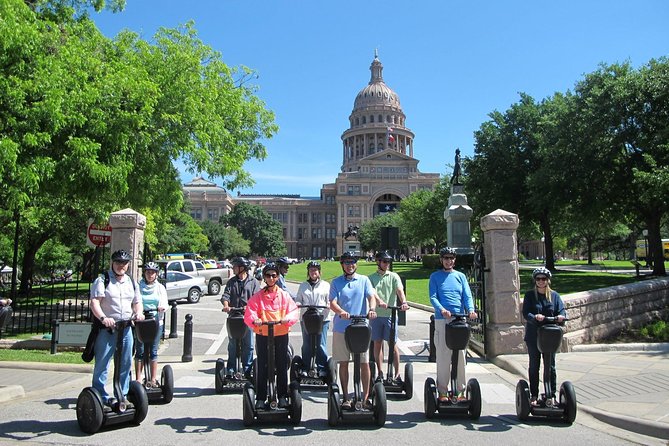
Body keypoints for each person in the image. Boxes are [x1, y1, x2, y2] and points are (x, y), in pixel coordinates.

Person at [89, 249, 144, 406]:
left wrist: (138, 313)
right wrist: (103, 318)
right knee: (103, 363)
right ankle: (100, 396)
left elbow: (137, 302)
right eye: (119, 262)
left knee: (125, 362)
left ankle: (122, 395)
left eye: (125, 263)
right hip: (108, 329)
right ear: (112, 263)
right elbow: (95, 302)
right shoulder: (102, 280)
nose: (122, 265)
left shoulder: (131, 282)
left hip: (126, 328)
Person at [329, 251, 381, 409]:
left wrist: (372, 309)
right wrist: (340, 312)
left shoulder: (364, 280)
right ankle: (345, 397)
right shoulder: (336, 282)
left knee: (364, 363)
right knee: (343, 363)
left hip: (360, 327)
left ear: (356, 264)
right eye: (346, 262)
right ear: (342, 265)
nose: (350, 265)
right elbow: (332, 302)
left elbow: (371, 296)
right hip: (342, 327)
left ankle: (364, 398)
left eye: (352, 262)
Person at [244, 262, 299, 410]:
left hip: (280, 334)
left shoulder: (284, 295)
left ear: (277, 277)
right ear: (264, 277)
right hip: (263, 334)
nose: (271, 278)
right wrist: (255, 319)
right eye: (268, 275)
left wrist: (288, 318)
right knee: (262, 365)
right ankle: (261, 397)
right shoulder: (258, 296)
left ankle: (282, 396)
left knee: (281, 365)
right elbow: (250, 311)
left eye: (273, 275)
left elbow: (293, 310)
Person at [428, 246, 476, 402]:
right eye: (446, 258)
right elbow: (433, 297)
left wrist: (471, 310)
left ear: (454, 260)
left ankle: (460, 391)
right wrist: (441, 310)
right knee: (443, 355)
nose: (449, 261)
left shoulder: (460, 276)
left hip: (459, 319)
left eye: (451, 258)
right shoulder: (435, 276)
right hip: (443, 320)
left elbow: (467, 295)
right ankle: (442, 391)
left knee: (461, 356)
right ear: (441, 260)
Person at [522, 266, 566, 406]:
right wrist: (535, 317)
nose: (541, 281)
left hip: (550, 336)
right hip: (534, 335)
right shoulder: (530, 296)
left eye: (544, 279)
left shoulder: (555, 296)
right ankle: (534, 395)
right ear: (535, 281)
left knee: (550, 366)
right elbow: (526, 313)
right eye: (538, 279)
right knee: (534, 365)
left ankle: (550, 395)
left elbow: (562, 311)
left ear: (548, 280)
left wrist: (561, 317)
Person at [368, 251, 408, 382]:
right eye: (384, 262)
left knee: (392, 344)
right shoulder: (371, 278)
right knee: (377, 343)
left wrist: (404, 302)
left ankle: (397, 374)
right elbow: (372, 292)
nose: (387, 264)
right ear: (378, 262)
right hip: (377, 315)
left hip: (391, 314)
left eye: (388, 262)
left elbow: (399, 290)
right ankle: (379, 372)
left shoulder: (393, 276)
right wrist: (380, 302)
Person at [221, 257, 260, 379]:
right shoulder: (232, 282)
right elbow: (226, 295)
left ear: (242, 268)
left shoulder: (253, 282)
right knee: (232, 344)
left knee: (248, 344)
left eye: (235, 267)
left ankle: (247, 369)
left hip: (247, 317)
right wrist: (226, 306)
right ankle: (231, 369)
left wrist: (249, 307)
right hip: (233, 317)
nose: (233, 269)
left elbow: (256, 298)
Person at [134, 262, 168, 387]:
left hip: (155, 322)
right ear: (145, 273)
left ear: (156, 274)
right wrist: (138, 312)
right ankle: (138, 379)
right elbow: (135, 301)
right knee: (140, 351)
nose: (150, 275)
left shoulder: (160, 288)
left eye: (153, 272)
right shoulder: (138, 286)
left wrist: (162, 307)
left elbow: (164, 302)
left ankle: (153, 379)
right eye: (148, 272)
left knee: (153, 350)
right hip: (141, 322)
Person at [295, 260, 331, 378]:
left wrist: (328, 304)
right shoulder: (303, 285)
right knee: (307, 344)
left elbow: (329, 300)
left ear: (319, 272)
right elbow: (298, 299)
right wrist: (298, 304)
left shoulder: (326, 285)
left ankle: (321, 367)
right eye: (311, 270)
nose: (313, 272)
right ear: (308, 272)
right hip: (306, 318)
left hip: (322, 318)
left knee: (320, 343)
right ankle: (306, 367)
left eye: (315, 270)